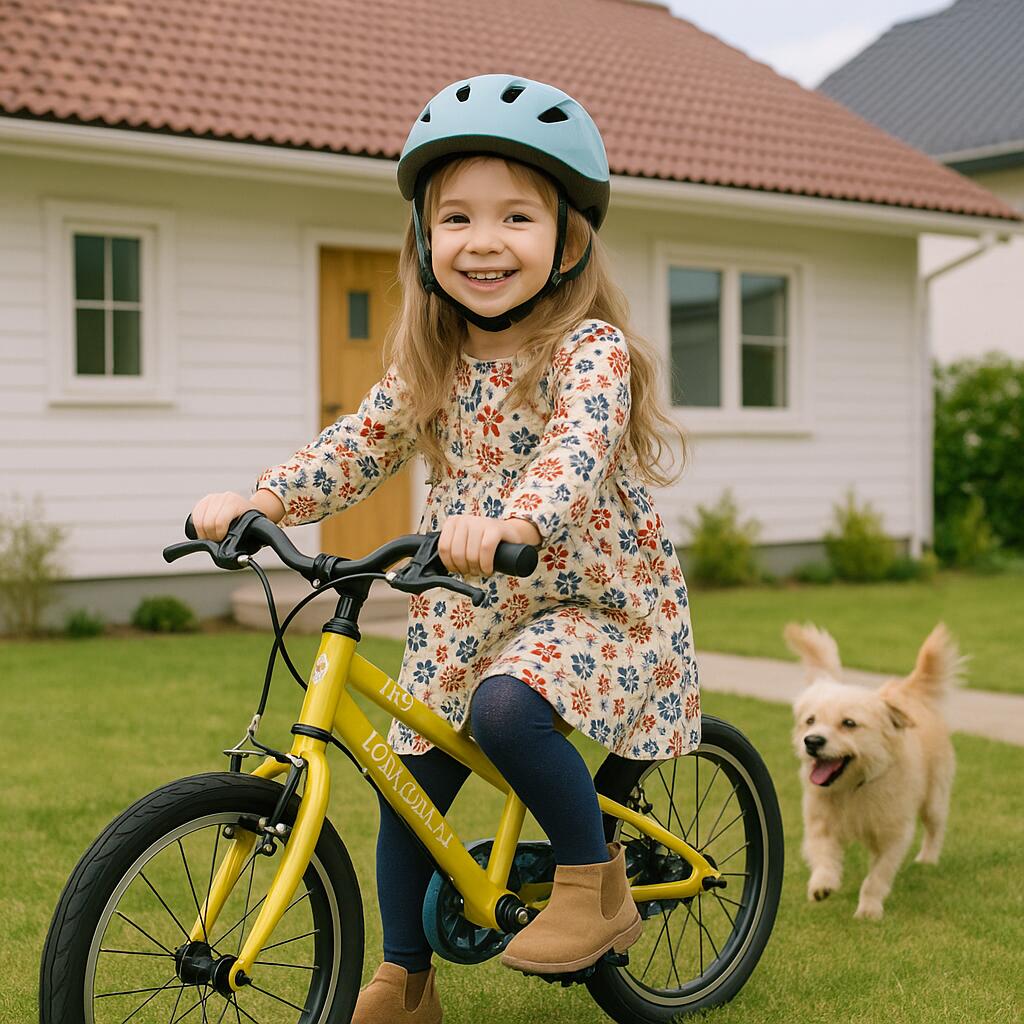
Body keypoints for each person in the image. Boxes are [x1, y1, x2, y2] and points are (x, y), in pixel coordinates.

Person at [191, 73, 700, 1024]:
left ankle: (597, 884)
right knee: (403, 773)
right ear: (427, 241)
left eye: (516, 215)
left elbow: (575, 452)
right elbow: (358, 446)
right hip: (467, 608)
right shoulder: (428, 362)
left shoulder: (590, 351)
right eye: (457, 218)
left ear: (568, 239)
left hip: (592, 601)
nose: (485, 240)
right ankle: (404, 981)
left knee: (509, 711)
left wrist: (517, 522)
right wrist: (261, 497)